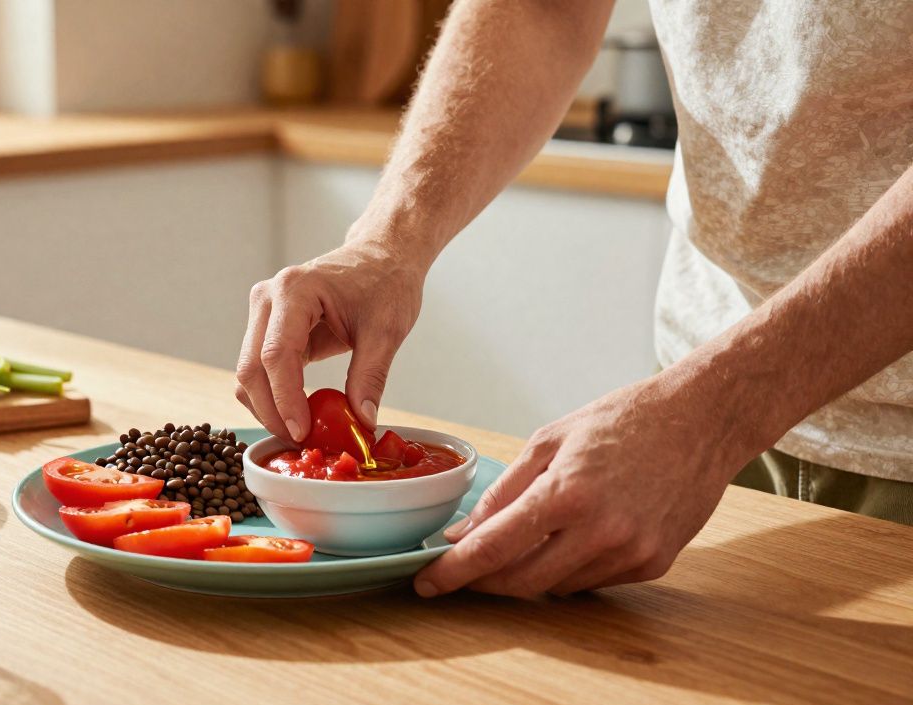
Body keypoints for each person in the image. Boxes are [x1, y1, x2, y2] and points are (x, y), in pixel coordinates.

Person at [234, 0, 913, 599]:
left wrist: (722, 412)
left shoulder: (712, 417)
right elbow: (542, 8)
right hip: (701, 402)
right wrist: (385, 243)